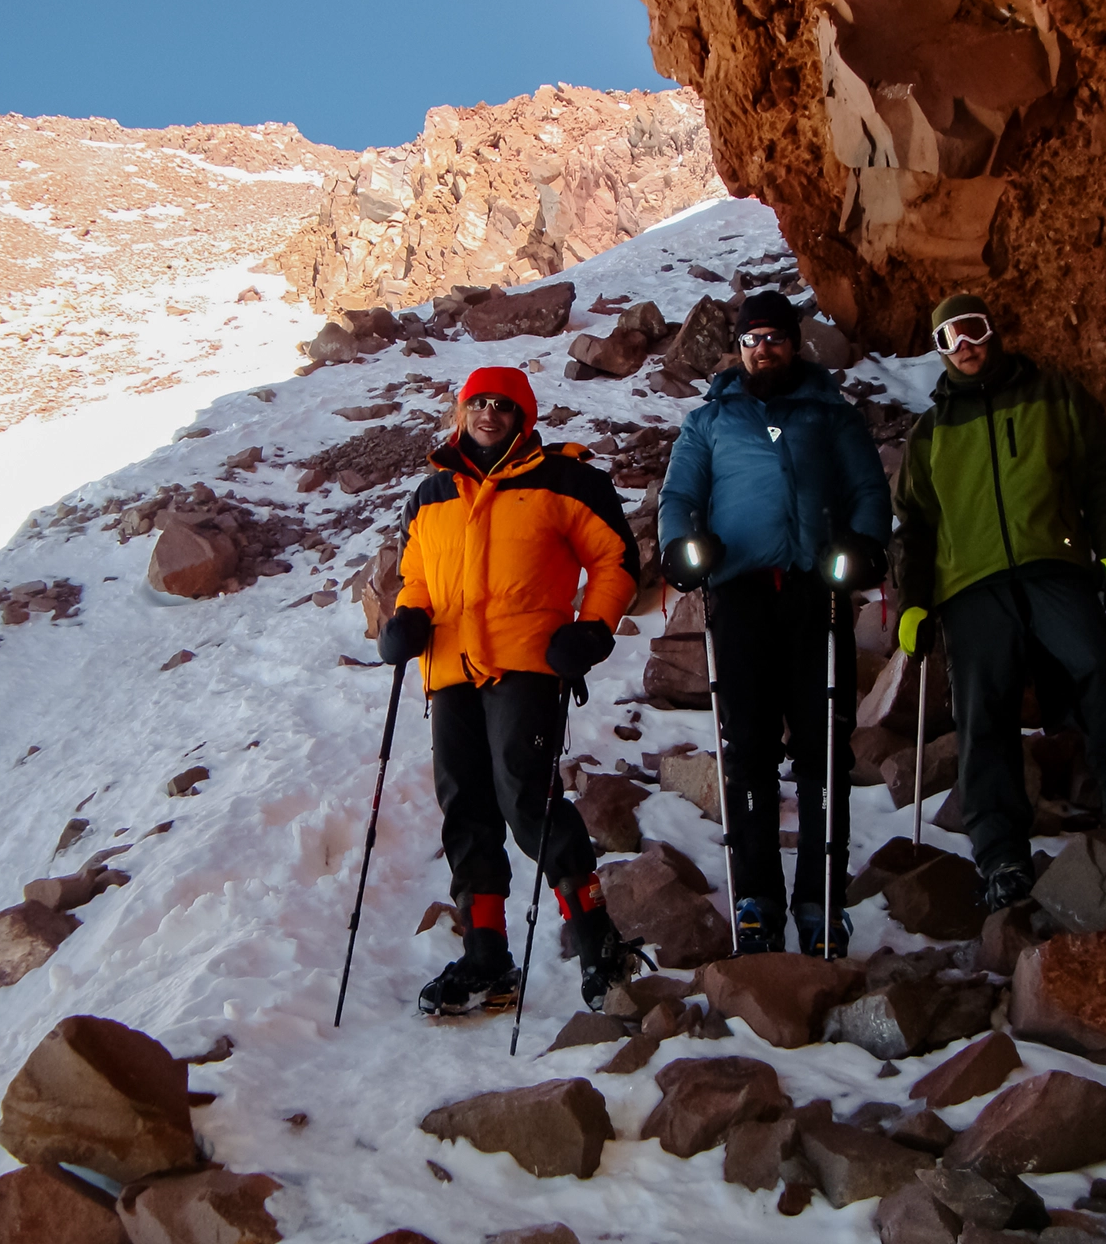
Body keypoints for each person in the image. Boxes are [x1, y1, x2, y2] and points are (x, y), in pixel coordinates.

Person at [378, 365, 643, 1015]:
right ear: (460, 411)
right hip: (449, 670)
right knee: (464, 805)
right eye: (477, 403)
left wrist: (592, 631)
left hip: (527, 663)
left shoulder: (565, 480)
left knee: (528, 798)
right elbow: (416, 576)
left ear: (523, 416)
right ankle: (486, 957)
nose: (488, 414)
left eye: (503, 405)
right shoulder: (431, 493)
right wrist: (406, 619)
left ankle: (597, 944)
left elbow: (617, 561)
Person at [891, 293, 1106, 913]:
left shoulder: (1055, 396)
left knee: (1104, 670)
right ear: (939, 351)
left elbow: (1100, 474)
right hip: (969, 588)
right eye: (949, 339)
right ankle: (1002, 856)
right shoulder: (930, 431)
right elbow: (916, 527)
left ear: (994, 330)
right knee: (983, 714)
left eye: (973, 330)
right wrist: (914, 601)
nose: (965, 346)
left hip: (1053, 567)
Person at [657, 290, 892, 958]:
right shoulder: (708, 422)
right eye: (753, 339)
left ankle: (821, 901)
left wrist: (868, 542)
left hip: (816, 592)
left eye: (776, 338)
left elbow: (867, 492)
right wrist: (680, 545)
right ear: (739, 348)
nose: (765, 348)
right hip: (739, 595)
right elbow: (680, 496)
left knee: (823, 749)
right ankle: (756, 898)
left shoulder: (831, 417)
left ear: (795, 344)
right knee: (749, 746)